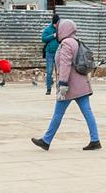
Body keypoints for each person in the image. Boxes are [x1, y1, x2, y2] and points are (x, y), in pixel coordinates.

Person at [29, 18, 100, 152]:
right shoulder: (76, 41)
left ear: (64, 30)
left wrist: (62, 84)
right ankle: (95, 140)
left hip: (69, 86)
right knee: (88, 113)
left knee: (58, 114)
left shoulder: (66, 43)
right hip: (82, 85)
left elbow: (65, 65)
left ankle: (46, 140)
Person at [40, 16, 59, 97]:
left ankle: (59, 88)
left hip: (59, 53)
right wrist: (53, 35)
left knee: (59, 72)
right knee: (49, 71)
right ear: (53, 23)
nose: (56, 25)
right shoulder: (47, 29)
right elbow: (43, 39)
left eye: (57, 24)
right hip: (49, 53)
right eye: (55, 24)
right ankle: (48, 89)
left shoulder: (60, 28)